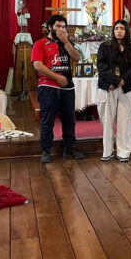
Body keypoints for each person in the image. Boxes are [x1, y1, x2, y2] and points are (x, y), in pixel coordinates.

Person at [31, 14, 84, 163]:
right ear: (50, 27)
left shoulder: (65, 43)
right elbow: (38, 66)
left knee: (69, 120)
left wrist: (66, 41)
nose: (61, 29)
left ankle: (69, 148)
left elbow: (77, 57)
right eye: (58, 26)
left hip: (67, 88)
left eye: (63, 27)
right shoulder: (40, 43)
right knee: (47, 120)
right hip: (48, 86)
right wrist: (57, 77)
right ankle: (46, 150)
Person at [96, 19, 131, 162]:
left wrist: (121, 81)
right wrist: (114, 80)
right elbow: (102, 67)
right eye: (116, 28)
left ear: (126, 31)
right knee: (107, 121)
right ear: (113, 31)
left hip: (125, 88)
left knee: (125, 121)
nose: (119, 31)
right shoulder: (105, 47)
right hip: (109, 87)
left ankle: (123, 152)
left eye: (122, 28)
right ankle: (107, 151)